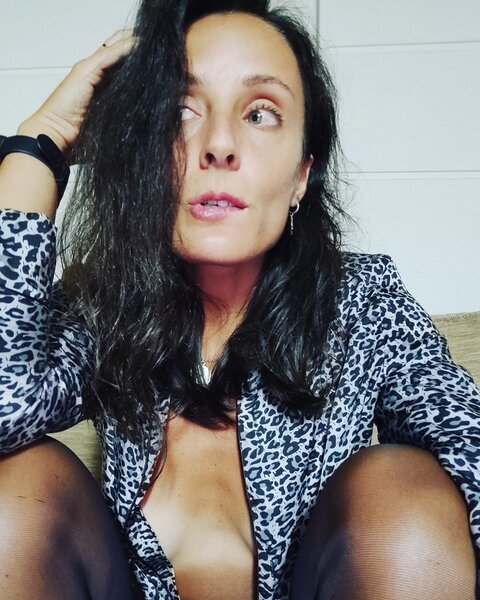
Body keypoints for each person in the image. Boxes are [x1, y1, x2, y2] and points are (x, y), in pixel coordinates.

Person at [0, 0, 479, 599]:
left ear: (301, 175)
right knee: (15, 484)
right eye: (180, 111)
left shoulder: (363, 303)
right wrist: (38, 146)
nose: (219, 144)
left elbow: (469, 451)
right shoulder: (105, 307)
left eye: (259, 113)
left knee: (403, 483)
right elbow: (5, 407)